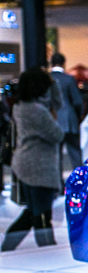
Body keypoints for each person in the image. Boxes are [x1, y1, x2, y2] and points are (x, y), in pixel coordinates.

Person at [3, 69, 64, 250]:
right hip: (38, 167)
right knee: (42, 213)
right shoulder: (36, 111)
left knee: (32, 211)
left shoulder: (22, 106)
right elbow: (57, 134)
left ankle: (8, 246)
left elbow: (57, 104)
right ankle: (47, 247)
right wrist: (53, 86)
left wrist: (53, 86)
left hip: (27, 164)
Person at [49, 53, 84, 172]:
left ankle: (58, 181)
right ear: (64, 64)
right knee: (75, 154)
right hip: (69, 120)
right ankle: (79, 179)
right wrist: (77, 117)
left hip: (53, 121)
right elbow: (77, 101)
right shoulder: (69, 79)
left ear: (51, 64)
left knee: (55, 156)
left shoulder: (47, 79)